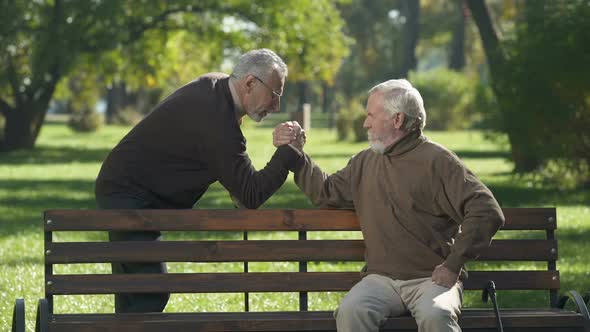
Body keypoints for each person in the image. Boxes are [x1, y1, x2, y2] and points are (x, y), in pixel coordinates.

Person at [273, 79, 505, 332]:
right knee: (351, 311)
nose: (365, 123)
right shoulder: (365, 161)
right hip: (380, 280)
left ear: (397, 120)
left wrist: (453, 265)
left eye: (371, 115)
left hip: (431, 280)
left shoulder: (438, 161)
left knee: (436, 315)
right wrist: (295, 153)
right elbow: (326, 192)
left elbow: (486, 210)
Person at [95, 49, 302, 313]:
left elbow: (238, 184)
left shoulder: (215, 89)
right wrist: (289, 152)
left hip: (123, 189)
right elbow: (251, 194)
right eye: (274, 95)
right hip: (127, 195)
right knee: (150, 291)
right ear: (250, 83)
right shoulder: (216, 120)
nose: (277, 107)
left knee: (136, 290)